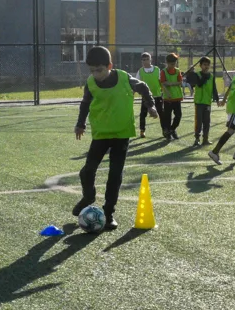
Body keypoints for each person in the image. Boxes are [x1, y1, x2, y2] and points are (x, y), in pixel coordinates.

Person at [74, 46, 158, 230]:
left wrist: (151, 106)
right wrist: (80, 123)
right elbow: (85, 103)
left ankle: (109, 213)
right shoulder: (91, 82)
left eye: (100, 70)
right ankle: (88, 197)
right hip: (101, 134)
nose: (96, 74)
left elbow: (143, 87)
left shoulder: (124, 78)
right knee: (88, 171)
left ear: (109, 66)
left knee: (115, 175)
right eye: (92, 70)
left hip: (121, 133)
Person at [187, 56, 219, 146]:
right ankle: (197, 138)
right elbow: (199, 84)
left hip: (207, 102)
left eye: (208, 65)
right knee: (199, 121)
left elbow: (214, 88)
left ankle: (205, 139)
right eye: (204, 65)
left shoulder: (211, 76)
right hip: (199, 102)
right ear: (200, 65)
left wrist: (216, 99)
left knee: (207, 121)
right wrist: (191, 72)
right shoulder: (198, 75)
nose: (206, 67)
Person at [135, 52, 163, 138]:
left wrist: (164, 91)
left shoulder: (157, 69)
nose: (146, 61)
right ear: (141, 61)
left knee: (162, 114)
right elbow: (136, 84)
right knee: (143, 114)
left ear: (151, 59)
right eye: (144, 60)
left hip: (157, 95)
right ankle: (142, 131)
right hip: (146, 97)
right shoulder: (140, 71)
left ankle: (165, 130)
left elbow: (161, 81)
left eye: (147, 59)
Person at [158, 53, 185, 140]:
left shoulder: (177, 71)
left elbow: (180, 82)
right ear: (167, 62)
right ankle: (169, 133)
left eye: (174, 63)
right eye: (171, 64)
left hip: (177, 97)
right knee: (167, 116)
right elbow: (163, 83)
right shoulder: (163, 72)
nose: (173, 65)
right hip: (168, 98)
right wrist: (168, 92)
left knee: (178, 115)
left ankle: (172, 129)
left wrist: (169, 83)